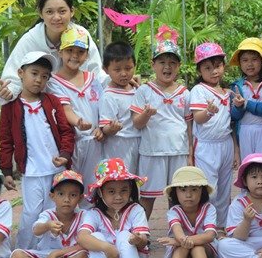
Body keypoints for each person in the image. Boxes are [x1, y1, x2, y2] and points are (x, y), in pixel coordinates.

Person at [0, 51, 74, 250]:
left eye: (44, 76)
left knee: (53, 211)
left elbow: (66, 131)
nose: (39, 80)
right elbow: (5, 140)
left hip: (56, 170)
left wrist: (65, 155)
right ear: (20, 73)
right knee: (31, 212)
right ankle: (24, 251)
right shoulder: (10, 106)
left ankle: (50, 250)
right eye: (34, 73)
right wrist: (6, 170)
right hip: (32, 170)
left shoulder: (52, 101)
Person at [0, 0, 103, 103]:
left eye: (62, 11)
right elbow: (12, 77)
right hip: (42, 106)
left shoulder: (81, 35)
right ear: (41, 13)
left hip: (79, 103)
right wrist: (8, 91)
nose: (56, 17)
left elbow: (96, 71)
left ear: (72, 11)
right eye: (49, 12)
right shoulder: (30, 40)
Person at [132, 26, 191, 219]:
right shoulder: (144, 91)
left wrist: (190, 153)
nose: (167, 67)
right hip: (152, 152)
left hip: (179, 151)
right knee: (147, 196)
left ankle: (177, 231)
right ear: (153, 64)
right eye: (162, 62)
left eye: (172, 62)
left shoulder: (185, 93)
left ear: (179, 66)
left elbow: (189, 125)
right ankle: (141, 230)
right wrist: (146, 114)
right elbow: (137, 123)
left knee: (178, 196)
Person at [76, 158, 150, 258]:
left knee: (124, 235)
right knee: (94, 237)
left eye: (124, 190)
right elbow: (81, 237)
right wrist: (106, 247)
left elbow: (144, 240)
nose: (118, 196)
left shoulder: (136, 210)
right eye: (111, 191)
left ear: (130, 190)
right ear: (100, 193)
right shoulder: (93, 214)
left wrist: (138, 240)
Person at [10, 169, 91, 258]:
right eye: (61, 194)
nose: (66, 199)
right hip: (45, 255)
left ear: (80, 198)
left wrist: (56, 254)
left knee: (84, 256)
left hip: (70, 256)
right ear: (52, 196)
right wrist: (47, 225)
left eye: (73, 195)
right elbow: (36, 230)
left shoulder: (84, 216)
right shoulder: (48, 214)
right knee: (16, 256)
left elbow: (85, 244)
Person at [47, 26, 104, 186]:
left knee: (95, 186)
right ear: (60, 52)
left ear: (87, 55)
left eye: (80, 52)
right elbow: (66, 110)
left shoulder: (93, 79)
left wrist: (102, 128)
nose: (74, 55)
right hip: (73, 145)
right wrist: (78, 122)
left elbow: (102, 107)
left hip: (97, 142)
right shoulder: (54, 82)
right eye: (69, 50)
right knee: (73, 187)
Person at [158, 165, 222, 258]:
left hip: (207, 251)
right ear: (175, 192)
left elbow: (210, 236)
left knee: (197, 245)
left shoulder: (209, 209)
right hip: (183, 253)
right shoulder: (174, 211)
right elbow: (179, 234)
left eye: (194, 189)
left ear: (202, 191)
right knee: (185, 245)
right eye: (183, 190)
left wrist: (177, 241)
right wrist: (180, 241)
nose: (188, 195)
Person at [190, 42, 236, 212]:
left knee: (225, 189)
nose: (214, 71)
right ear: (199, 71)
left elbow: (232, 125)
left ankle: (222, 223)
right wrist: (208, 112)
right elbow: (198, 118)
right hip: (206, 146)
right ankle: (206, 223)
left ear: (224, 66)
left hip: (226, 144)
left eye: (217, 66)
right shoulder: (199, 90)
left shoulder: (228, 93)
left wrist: (236, 151)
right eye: (207, 68)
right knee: (209, 189)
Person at [229, 37, 262, 162]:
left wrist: (247, 104)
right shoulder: (237, 86)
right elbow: (234, 116)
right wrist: (238, 107)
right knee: (248, 167)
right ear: (240, 63)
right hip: (244, 132)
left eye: (254, 59)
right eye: (245, 60)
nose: (249, 64)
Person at [99, 43, 141, 172]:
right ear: (106, 69)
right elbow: (105, 127)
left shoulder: (137, 90)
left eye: (128, 68)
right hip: (119, 144)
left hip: (138, 142)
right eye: (117, 70)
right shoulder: (108, 95)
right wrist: (112, 128)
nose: (123, 74)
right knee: (121, 176)